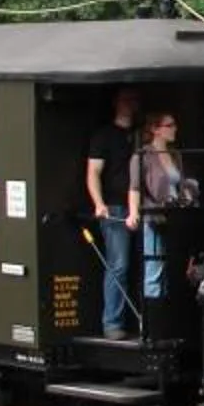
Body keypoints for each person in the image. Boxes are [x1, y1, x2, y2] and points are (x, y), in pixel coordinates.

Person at [85, 89, 144, 336]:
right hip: (115, 207)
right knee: (118, 264)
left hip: (143, 207)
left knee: (145, 264)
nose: (130, 105)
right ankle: (112, 323)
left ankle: (143, 322)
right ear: (116, 103)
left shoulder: (141, 136)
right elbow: (93, 173)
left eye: (133, 100)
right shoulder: (104, 135)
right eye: (125, 101)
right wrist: (99, 203)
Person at [135, 109, 190, 299]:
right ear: (155, 129)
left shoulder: (175, 154)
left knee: (172, 265)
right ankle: (153, 312)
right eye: (169, 125)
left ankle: (167, 308)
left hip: (175, 214)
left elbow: (181, 182)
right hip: (154, 215)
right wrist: (134, 212)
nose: (174, 129)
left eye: (174, 125)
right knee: (154, 264)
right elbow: (135, 187)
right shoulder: (144, 154)